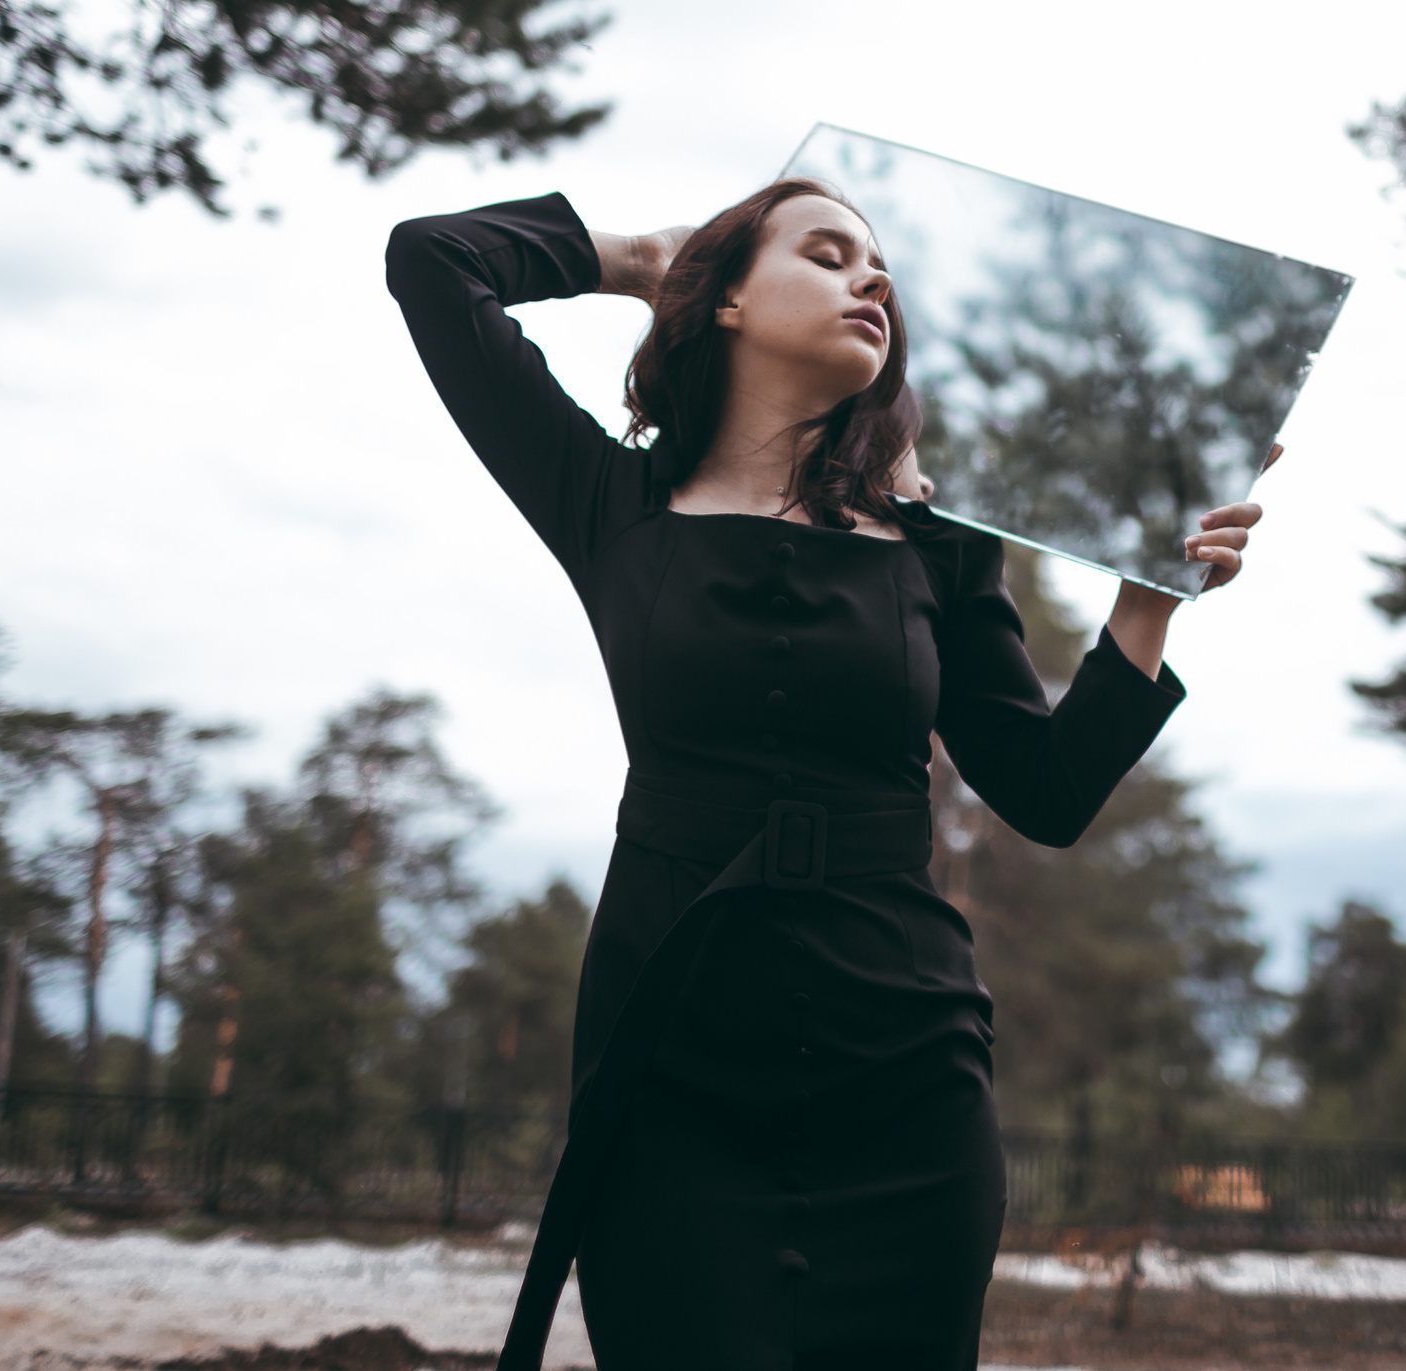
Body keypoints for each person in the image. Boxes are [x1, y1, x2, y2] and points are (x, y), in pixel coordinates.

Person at [385, 177, 1268, 1370]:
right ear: (732, 298)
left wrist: (1145, 608)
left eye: (882, 270)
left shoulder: (936, 549)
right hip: (670, 1065)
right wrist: (651, 258)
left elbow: (1046, 794)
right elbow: (431, 260)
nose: (873, 281)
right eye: (827, 253)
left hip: (905, 1075)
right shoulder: (611, 502)